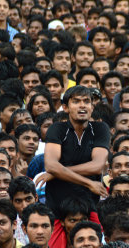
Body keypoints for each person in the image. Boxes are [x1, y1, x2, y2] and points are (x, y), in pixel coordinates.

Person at [41, 85, 110, 217]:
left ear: (92, 108)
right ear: (66, 108)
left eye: (86, 101)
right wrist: (89, 183)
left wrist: (57, 173)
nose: (82, 105)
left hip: (89, 208)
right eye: (76, 101)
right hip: (57, 209)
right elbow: (51, 165)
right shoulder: (57, 128)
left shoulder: (100, 128)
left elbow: (97, 166)